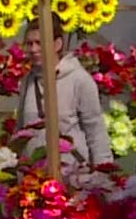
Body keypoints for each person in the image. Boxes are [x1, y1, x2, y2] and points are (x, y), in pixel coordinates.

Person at [20, 31, 113, 168]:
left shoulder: (79, 79)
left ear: (57, 44)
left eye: (39, 43)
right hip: (34, 172)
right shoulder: (28, 80)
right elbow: (20, 128)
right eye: (29, 44)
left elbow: (95, 128)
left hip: (71, 171)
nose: (33, 49)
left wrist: (103, 168)